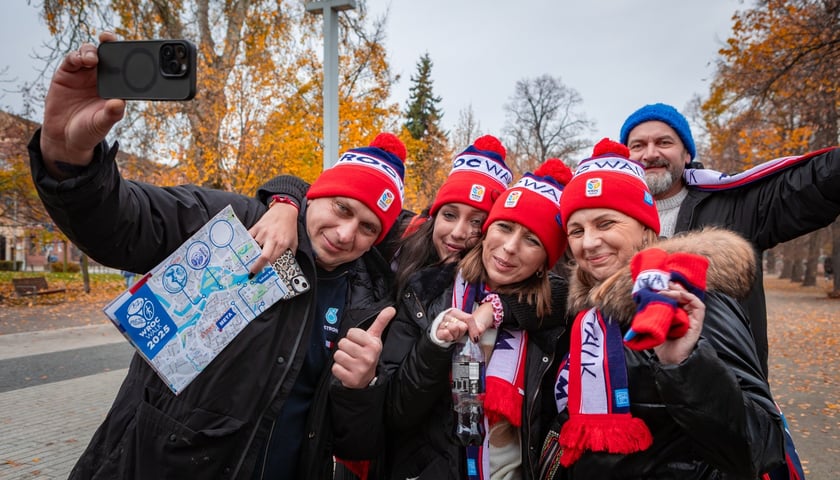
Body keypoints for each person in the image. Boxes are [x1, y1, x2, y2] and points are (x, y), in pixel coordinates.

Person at [29, 31, 404, 480]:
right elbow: (124, 224)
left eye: (369, 228)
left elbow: (352, 442)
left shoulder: (369, 302)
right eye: (342, 209)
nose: (346, 234)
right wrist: (69, 157)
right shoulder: (237, 223)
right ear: (315, 196)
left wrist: (361, 388)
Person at [537, 139, 784, 478]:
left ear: (647, 230)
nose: (589, 242)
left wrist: (685, 365)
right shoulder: (588, 312)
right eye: (576, 231)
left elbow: (763, 447)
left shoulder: (693, 297)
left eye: (606, 223)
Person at [379, 160, 573, 480]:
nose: (510, 249)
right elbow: (396, 411)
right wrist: (435, 343)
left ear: (545, 261)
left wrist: (497, 309)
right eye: (505, 227)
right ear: (487, 231)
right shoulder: (428, 291)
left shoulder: (554, 315)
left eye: (532, 240)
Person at [620, 103, 840, 376]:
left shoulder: (736, 205)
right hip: (633, 397)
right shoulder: (604, 222)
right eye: (638, 145)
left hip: (727, 390)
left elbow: (810, 184)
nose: (650, 154)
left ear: (686, 153)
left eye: (664, 142)